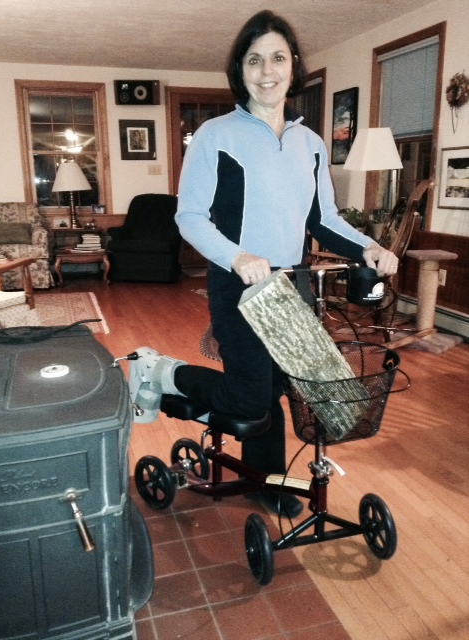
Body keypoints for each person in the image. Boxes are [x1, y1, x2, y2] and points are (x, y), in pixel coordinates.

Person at [129, 10, 398, 518]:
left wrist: (368, 247)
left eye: (277, 58)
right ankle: (161, 372)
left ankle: (267, 481)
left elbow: (324, 219)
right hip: (238, 284)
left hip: (293, 285)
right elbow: (189, 216)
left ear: (293, 66)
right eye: (255, 60)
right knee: (251, 397)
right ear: (240, 69)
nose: (267, 70)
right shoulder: (215, 134)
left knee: (276, 389)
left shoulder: (311, 144)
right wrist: (239, 256)